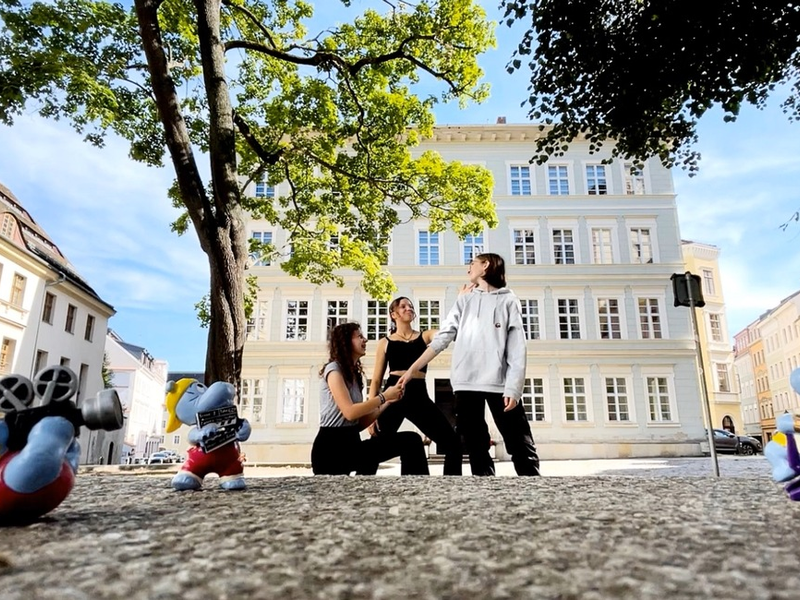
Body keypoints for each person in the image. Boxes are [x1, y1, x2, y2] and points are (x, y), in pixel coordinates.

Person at [399, 253, 540, 476]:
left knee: (520, 443)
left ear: (486, 266)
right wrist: (411, 370)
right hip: (466, 384)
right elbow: (442, 338)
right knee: (476, 446)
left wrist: (514, 387)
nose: (468, 269)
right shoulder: (464, 299)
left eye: (471, 264)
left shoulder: (508, 300)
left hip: (500, 383)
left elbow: (517, 348)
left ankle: (536, 491)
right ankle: (484, 496)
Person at [311, 322, 429, 475]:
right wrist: (384, 396)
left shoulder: (354, 375)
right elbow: (350, 413)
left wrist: (388, 401)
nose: (365, 340)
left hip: (352, 444)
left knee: (411, 441)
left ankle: (415, 493)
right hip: (331, 451)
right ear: (346, 342)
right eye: (359, 336)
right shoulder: (334, 370)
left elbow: (358, 424)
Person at [368, 297, 463, 475]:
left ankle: (452, 486)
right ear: (393, 314)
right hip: (393, 394)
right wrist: (371, 414)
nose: (408, 308)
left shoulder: (425, 336)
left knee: (453, 443)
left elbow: (443, 335)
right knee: (376, 443)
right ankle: (360, 482)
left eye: (410, 306)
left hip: (418, 395)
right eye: (403, 306)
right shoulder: (385, 342)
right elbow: (376, 380)